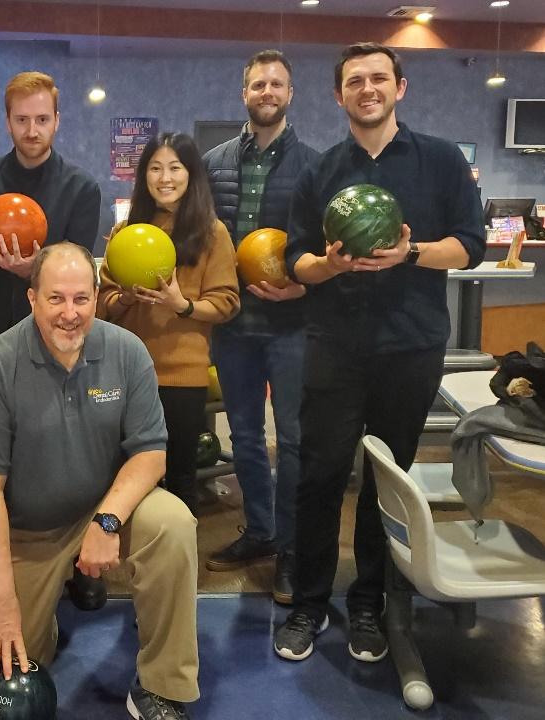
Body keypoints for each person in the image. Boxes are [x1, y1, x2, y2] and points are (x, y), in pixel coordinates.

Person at [273, 43, 485, 663]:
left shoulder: (441, 161)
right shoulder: (319, 171)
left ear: (401, 87)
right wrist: (333, 266)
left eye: (379, 78)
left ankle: (369, 602)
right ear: (339, 96)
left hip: (411, 345)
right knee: (319, 475)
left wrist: (411, 254)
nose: (368, 89)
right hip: (334, 346)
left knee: (384, 479)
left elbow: (470, 246)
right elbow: (297, 264)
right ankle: (311, 603)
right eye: (354, 81)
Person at [0, 243, 200, 720]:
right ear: (32, 299)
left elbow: (151, 454)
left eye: (81, 299)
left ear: (95, 296)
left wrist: (106, 521)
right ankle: (44, 589)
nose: (70, 314)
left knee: (173, 523)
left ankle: (162, 685)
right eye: (56, 299)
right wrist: (1, 603)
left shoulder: (126, 351)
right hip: (29, 531)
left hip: (103, 510)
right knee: (16, 663)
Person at [0, 70, 103, 605]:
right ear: (8, 121)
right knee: (0, 455)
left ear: (57, 121)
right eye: (22, 119)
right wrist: (0, 263)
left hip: (61, 339)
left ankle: (81, 566)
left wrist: (35, 274)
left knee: (69, 447)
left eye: (42, 119)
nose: (32, 129)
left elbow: (80, 266)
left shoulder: (81, 187)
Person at [202, 50, 320, 604]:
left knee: (294, 440)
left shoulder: (316, 166)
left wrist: (305, 285)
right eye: (257, 84)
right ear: (243, 92)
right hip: (232, 323)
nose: (266, 91)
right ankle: (261, 532)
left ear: (290, 93)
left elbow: (331, 252)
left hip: (293, 323)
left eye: (276, 83)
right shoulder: (214, 161)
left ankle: (293, 550)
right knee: (245, 436)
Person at [98, 132, 239, 516]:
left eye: (175, 168)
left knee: (180, 475)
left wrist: (183, 305)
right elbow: (102, 305)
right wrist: (125, 297)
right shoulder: (127, 232)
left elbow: (227, 303)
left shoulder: (213, 232)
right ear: (144, 175)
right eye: (155, 168)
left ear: (191, 174)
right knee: (126, 475)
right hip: (129, 374)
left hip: (183, 377)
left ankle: (178, 570)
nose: (165, 178)